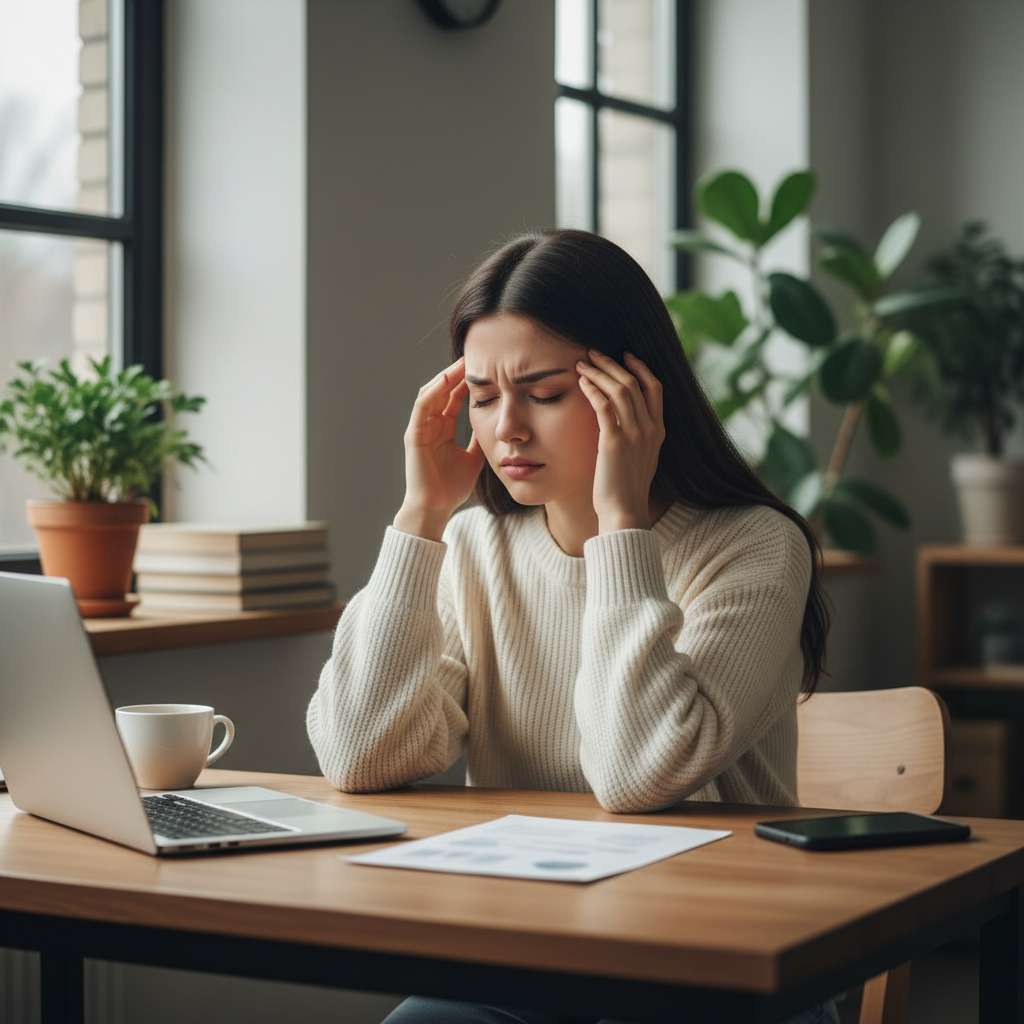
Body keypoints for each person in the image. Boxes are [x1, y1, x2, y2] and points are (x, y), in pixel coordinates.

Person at [307, 229, 835, 1024]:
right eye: (482, 396)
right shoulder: (476, 543)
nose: (507, 428)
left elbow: (636, 776)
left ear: (637, 392)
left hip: (719, 965)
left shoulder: (753, 546)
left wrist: (619, 524)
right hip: (526, 950)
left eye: (545, 393)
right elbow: (358, 755)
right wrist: (419, 519)